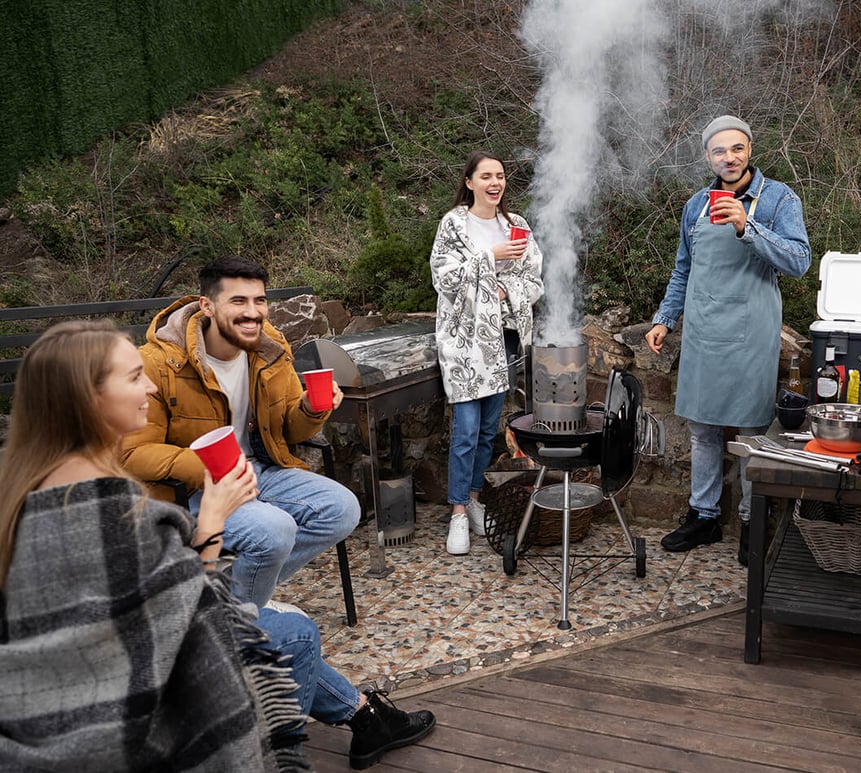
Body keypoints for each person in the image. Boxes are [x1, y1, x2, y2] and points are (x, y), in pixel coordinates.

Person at [0, 321, 435, 771]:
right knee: (296, 633)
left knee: (330, 517)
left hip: (56, 695)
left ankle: (363, 714)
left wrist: (310, 408)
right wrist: (211, 515)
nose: (148, 386)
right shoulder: (112, 508)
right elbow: (185, 621)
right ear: (87, 399)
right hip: (115, 707)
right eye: (133, 377)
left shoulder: (26, 490)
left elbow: (290, 427)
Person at [120, 256, 360, 608]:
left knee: (342, 509)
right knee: (274, 531)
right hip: (193, 488)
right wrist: (205, 467)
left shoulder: (270, 349)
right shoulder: (159, 363)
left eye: (259, 300)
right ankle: (242, 613)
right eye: (238, 301)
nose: (253, 312)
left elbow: (290, 431)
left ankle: (237, 599)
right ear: (207, 306)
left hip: (260, 468)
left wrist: (311, 408)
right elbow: (131, 452)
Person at [645, 114, 812, 564]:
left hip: (751, 333)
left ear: (750, 150)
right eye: (719, 151)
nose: (729, 158)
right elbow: (684, 268)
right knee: (702, 429)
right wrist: (665, 318)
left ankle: (751, 522)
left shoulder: (778, 199)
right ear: (708, 157)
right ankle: (703, 517)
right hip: (703, 330)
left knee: (752, 431)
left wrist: (746, 227)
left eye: (737, 148)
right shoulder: (696, 205)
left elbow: (799, 261)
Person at [430, 150, 544, 555]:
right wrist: (489, 258)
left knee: (486, 431)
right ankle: (458, 513)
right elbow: (443, 277)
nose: (495, 183)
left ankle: (475, 499)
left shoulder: (516, 226)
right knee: (465, 429)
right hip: (464, 341)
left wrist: (505, 290)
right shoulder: (454, 225)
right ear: (469, 182)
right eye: (486, 176)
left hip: (502, 340)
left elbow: (533, 280)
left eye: (500, 176)